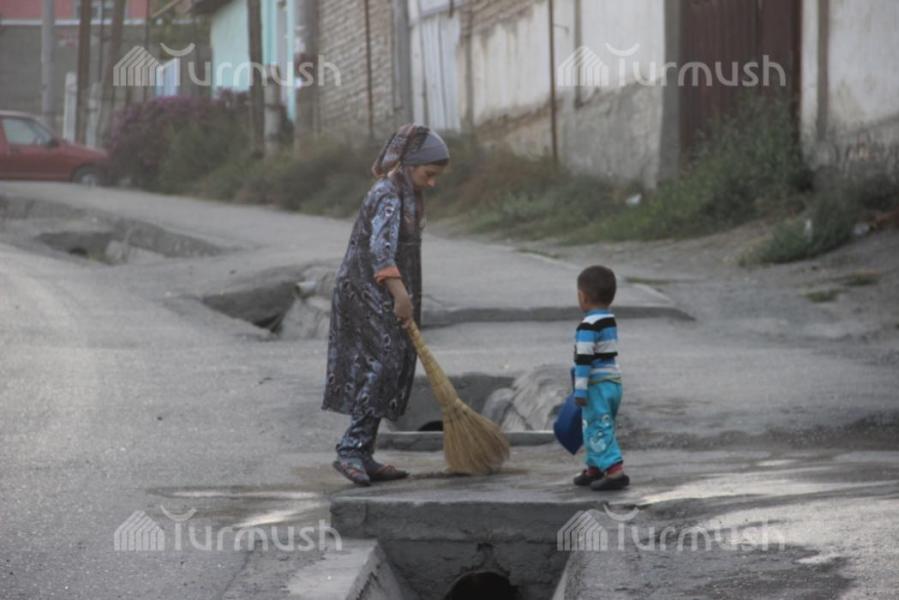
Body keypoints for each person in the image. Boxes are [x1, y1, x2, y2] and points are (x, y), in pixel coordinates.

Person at [322, 124, 449, 486]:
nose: (432, 183)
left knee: (390, 370)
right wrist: (401, 296)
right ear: (409, 165)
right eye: (429, 174)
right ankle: (350, 450)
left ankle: (364, 453)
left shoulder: (408, 192)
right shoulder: (388, 194)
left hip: (385, 291)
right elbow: (380, 250)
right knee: (381, 367)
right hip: (366, 292)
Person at [570, 265, 629, 491]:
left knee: (597, 427)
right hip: (613, 383)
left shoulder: (587, 326)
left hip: (596, 385)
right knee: (599, 425)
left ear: (582, 297)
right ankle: (594, 467)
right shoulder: (609, 319)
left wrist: (580, 389)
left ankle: (614, 470)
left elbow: (584, 360)